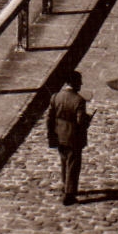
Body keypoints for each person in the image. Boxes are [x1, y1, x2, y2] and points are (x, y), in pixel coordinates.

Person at [45, 71, 93, 205]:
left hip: (59, 135)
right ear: (75, 83)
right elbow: (80, 122)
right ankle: (69, 193)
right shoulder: (79, 100)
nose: (81, 85)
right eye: (80, 82)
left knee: (64, 161)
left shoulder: (56, 97)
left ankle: (64, 185)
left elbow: (50, 118)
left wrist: (51, 134)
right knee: (73, 165)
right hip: (73, 137)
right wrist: (87, 120)